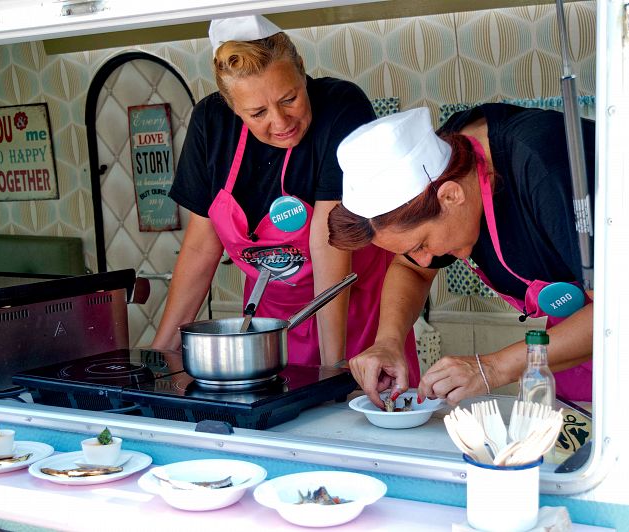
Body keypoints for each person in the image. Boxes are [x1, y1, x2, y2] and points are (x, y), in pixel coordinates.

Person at [151, 14, 419, 383]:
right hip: (271, 326)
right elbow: (200, 249)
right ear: (230, 105)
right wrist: (158, 358)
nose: (280, 122)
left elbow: (329, 243)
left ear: (302, 70)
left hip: (353, 312)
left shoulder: (341, 106)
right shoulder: (209, 124)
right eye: (257, 113)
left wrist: (333, 368)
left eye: (289, 98)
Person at [328, 104, 594, 407]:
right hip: (573, 334)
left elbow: (621, 309)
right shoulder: (443, 166)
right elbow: (411, 269)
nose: (425, 259)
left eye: (421, 244)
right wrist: (388, 342)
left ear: (452, 195)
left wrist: (492, 368)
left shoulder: (546, 166)